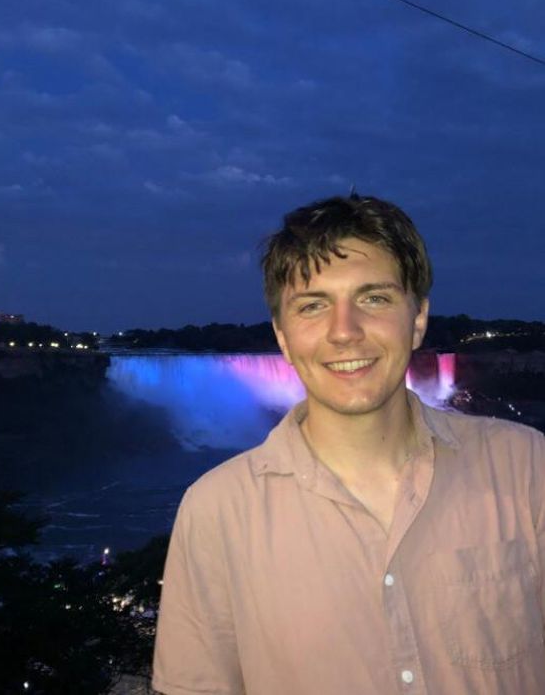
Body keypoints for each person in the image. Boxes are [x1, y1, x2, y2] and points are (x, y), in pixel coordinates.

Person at [153, 195, 545, 694]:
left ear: (418, 317)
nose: (345, 332)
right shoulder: (216, 510)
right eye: (313, 305)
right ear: (283, 336)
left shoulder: (526, 466)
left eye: (373, 298)